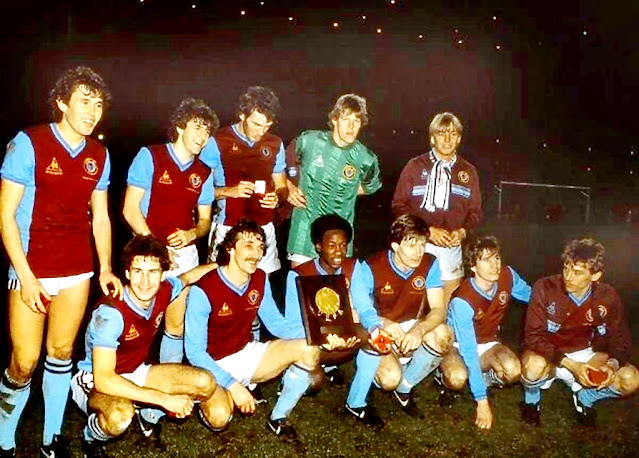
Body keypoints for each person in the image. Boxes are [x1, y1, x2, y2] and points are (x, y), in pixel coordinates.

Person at [0, 66, 122, 457]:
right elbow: (5, 217)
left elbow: (100, 217)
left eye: (98, 104)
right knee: (24, 361)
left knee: (62, 353)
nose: (92, 111)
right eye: (84, 101)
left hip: (76, 269)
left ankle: (51, 438)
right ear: (62, 102)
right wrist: (25, 275)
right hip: (31, 268)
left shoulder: (99, 155)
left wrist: (104, 266)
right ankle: (4, 440)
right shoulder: (29, 142)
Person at [71, 235, 218, 456]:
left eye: (153, 272)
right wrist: (164, 400)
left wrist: (223, 263)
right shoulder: (111, 314)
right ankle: (90, 438)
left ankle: (146, 416)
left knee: (205, 383)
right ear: (127, 273)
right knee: (120, 415)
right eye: (138, 271)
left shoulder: (164, 291)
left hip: (135, 371)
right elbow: (104, 379)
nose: (145, 281)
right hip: (95, 379)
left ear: (162, 274)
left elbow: (187, 277)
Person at [184, 220, 320, 442]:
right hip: (210, 364)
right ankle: (214, 398)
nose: (256, 253)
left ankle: (278, 418)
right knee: (220, 418)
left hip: (245, 352)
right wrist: (232, 385)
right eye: (248, 245)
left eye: (259, 247)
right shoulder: (204, 289)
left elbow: (276, 324)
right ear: (230, 248)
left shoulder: (259, 278)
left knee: (309, 349)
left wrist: (318, 334)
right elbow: (195, 352)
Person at [259, 214, 389, 427]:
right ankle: (279, 415)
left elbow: (365, 307)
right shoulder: (300, 275)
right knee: (314, 383)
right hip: (316, 341)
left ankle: (356, 403)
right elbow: (294, 325)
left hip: (343, 336)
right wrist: (325, 338)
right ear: (318, 246)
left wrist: (375, 328)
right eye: (331, 245)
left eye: (343, 245)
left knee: (375, 340)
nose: (338, 251)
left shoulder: (353, 267)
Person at [520, 238, 639, 427]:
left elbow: (621, 341)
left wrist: (611, 366)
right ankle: (531, 401)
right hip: (549, 356)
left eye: (577, 273)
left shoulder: (608, 297)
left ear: (595, 275)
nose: (568, 276)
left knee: (631, 379)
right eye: (566, 268)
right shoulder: (545, 287)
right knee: (532, 366)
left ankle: (585, 397)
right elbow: (533, 337)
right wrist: (571, 365)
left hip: (586, 356)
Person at [365, 214, 453, 416]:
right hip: (378, 326)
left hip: (409, 323)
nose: (419, 252)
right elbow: (360, 312)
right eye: (412, 245)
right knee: (388, 379)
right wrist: (384, 324)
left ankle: (404, 388)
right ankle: (375, 376)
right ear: (395, 246)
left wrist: (418, 330)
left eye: (423, 245)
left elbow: (439, 309)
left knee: (443, 335)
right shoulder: (372, 266)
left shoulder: (429, 264)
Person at [439, 236, 531, 429]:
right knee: (456, 378)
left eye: (496, 258)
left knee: (513, 370)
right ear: (473, 266)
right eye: (486, 260)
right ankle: (442, 380)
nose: (494, 265)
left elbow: (533, 297)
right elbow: (469, 350)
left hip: (488, 344)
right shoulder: (463, 300)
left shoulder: (508, 276)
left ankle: (483, 381)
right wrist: (482, 403)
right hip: (457, 346)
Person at [391, 112, 482, 302]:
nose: (447, 139)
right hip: (417, 247)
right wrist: (427, 231)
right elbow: (398, 206)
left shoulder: (469, 171)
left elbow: (475, 213)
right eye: (441, 133)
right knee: (412, 306)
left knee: (447, 307)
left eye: (452, 133)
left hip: (451, 250)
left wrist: (463, 232)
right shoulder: (414, 166)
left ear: (459, 138)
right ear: (432, 138)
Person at [123, 97, 219, 277]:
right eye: (197, 128)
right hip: (147, 248)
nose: (203, 137)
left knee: (181, 303)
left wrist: (192, 234)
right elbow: (130, 210)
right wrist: (157, 249)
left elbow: (205, 220)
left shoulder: (204, 172)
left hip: (186, 255)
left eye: (207, 131)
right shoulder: (150, 156)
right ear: (180, 127)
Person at [286, 94, 382, 267]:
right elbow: (278, 163)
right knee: (303, 290)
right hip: (304, 235)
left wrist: (345, 190)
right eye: (346, 119)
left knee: (334, 292)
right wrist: (288, 187)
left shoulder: (366, 159)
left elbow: (370, 186)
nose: (351, 126)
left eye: (357, 121)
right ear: (335, 119)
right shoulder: (309, 141)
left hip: (339, 239)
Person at [200, 86, 287, 274]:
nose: (262, 131)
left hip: (263, 227)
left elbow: (282, 187)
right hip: (228, 226)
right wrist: (229, 191)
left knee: (263, 284)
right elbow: (196, 189)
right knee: (220, 281)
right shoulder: (217, 141)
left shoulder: (275, 144)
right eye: (256, 124)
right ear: (242, 115)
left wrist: (277, 198)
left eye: (267, 126)